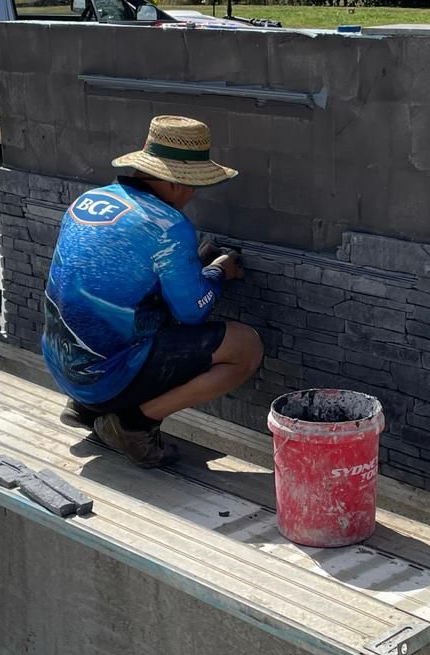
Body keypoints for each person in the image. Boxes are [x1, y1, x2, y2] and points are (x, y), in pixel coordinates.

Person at [42, 115, 264, 467]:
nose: (192, 195)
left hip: (64, 366)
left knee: (121, 308)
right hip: (105, 377)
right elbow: (192, 311)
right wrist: (219, 273)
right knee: (245, 347)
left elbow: (125, 277)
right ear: (175, 182)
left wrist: (194, 264)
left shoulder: (90, 200)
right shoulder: (167, 224)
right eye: (192, 185)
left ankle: (86, 408)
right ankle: (133, 424)